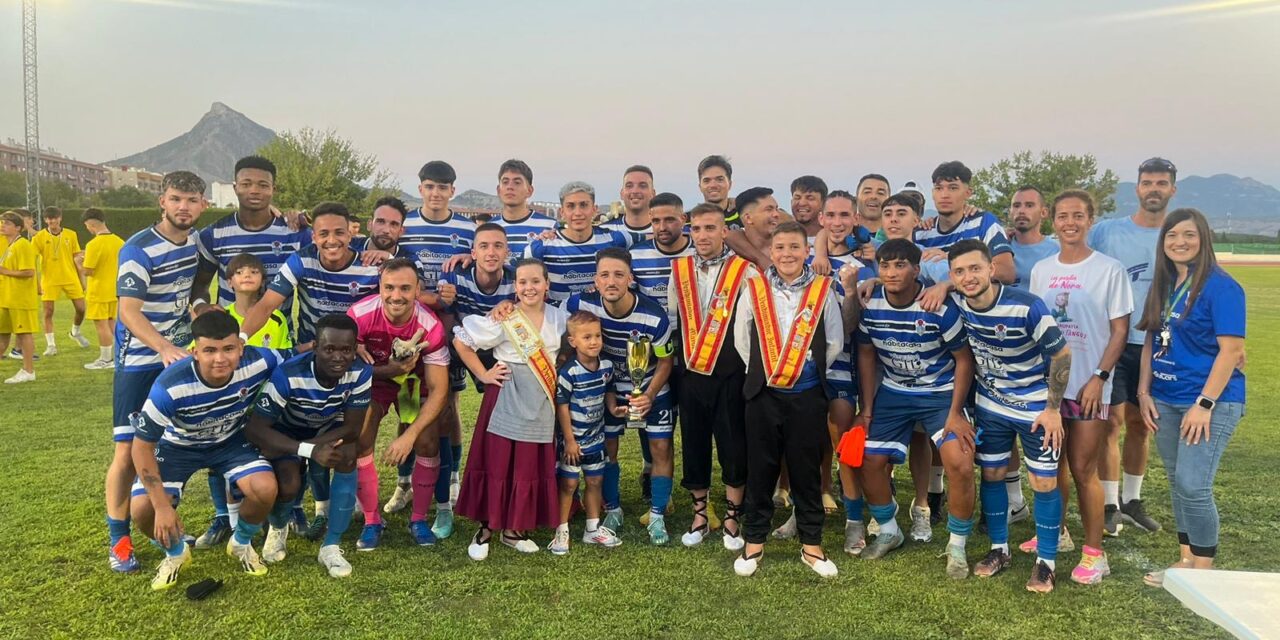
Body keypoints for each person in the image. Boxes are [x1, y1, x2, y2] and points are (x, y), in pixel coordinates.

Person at [128, 310, 285, 590]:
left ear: (241, 348)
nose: (220, 358)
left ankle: (241, 543)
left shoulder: (259, 360)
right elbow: (141, 449)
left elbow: (302, 353)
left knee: (265, 488)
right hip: (178, 447)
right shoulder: (170, 386)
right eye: (209, 350)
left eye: (228, 349)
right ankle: (176, 554)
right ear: (194, 351)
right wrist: (162, 507)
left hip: (230, 442)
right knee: (142, 509)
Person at [949, 238, 1070, 593]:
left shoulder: (1027, 306)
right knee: (993, 473)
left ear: (991, 269)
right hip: (991, 404)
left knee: (1043, 482)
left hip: (1036, 407)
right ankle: (998, 549)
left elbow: (1062, 356)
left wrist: (1052, 410)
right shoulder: (958, 302)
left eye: (975, 268)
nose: (968, 277)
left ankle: (1046, 562)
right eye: (959, 271)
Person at [1026, 190, 1132, 585]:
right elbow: (1037, 329)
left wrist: (1099, 378)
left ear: (1090, 220)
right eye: (1063, 215)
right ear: (1052, 220)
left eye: (1079, 215)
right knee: (1051, 467)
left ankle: (1094, 554)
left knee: (1084, 468)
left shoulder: (1109, 269)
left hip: (1089, 386)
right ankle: (1058, 535)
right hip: (1052, 389)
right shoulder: (1042, 269)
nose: (1070, 222)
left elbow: (1119, 331)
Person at [105, 170, 208, 574]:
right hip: (140, 362)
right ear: (162, 202)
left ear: (202, 204)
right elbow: (128, 311)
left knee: (169, 447)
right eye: (176, 199)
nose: (184, 207)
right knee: (127, 452)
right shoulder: (138, 249)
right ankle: (119, 540)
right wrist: (163, 346)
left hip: (177, 356)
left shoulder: (195, 241)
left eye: (192, 200)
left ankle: (161, 524)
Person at [1137, 208, 1246, 587]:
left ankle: (1204, 570)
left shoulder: (1222, 287)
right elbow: (1152, 337)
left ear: (1204, 239)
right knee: (1176, 480)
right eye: (1171, 236)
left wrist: (1204, 404)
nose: (1179, 242)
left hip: (1208, 401)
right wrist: (1144, 390)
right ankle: (1186, 559)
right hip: (1165, 398)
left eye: (1188, 235)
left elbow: (1231, 352)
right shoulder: (1165, 283)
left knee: (1193, 484)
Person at [854, 239, 976, 578]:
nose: (892, 273)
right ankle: (890, 529)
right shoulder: (871, 301)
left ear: (916, 270)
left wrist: (956, 411)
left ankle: (957, 545)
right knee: (868, 458)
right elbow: (866, 353)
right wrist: (866, 410)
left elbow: (964, 360)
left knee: (960, 462)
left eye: (900, 265)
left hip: (939, 392)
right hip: (894, 391)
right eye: (885, 266)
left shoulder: (937, 305)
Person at [732, 221, 844, 578]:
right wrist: (767, 373)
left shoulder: (824, 289)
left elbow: (834, 343)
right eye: (780, 248)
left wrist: (802, 373)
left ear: (807, 250)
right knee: (761, 467)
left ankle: (812, 545)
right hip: (763, 394)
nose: (787, 254)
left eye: (795, 247)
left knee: (805, 469)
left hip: (806, 395)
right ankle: (753, 543)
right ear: (771, 251)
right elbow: (742, 339)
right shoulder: (754, 288)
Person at [454, 258, 569, 560]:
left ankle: (514, 529)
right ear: (515, 287)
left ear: (547, 284)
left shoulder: (560, 317)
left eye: (535, 281)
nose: (529, 287)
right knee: (498, 459)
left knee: (528, 463)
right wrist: (483, 374)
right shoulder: (505, 317)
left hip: (541, 397)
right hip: (506, 391)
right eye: (522, 282)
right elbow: (462, 342)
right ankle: (487, 526)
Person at [1091, 157, 1179, 536]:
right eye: (1148, 182)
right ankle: (1109, 504)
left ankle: (1133, 500)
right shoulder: (1108, 231)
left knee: (1142, 424)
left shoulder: (1178, 235)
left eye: (1162, 183)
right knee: (1109, 422)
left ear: (1172, 189)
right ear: (1137, 188)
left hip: (1157, 344)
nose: (1154, 189)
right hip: (1114, 340)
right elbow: (1069, 246)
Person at [245, 313, 371, 578]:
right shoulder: (289, 373)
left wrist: (314, 448)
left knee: (348, 453)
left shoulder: (360, 371)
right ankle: (278, 528)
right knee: (289, 483)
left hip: (328, 429)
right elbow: (256, 429)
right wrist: (307, 450)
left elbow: (352, 428)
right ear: (315, 347)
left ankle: (331, 545)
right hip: (285, 431)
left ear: (354, 349)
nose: (338, 357)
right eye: (329, 349)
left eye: (346, 350)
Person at [565, 248, 676, 544]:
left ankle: (656, 516)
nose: (611, 281)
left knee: (661, 448)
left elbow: (666, 361)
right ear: (595, 280)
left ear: (630, 278)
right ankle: (612, 508)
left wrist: (650, 395)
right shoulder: (581, 303)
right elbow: (547, 314)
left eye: (618, 274)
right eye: (604, 275)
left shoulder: (653, 315)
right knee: (608, 450)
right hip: (609, 392)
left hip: (651, 389)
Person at [346, 258, 452, 550]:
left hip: (412, 384)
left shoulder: (430, 326)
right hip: (375, 381)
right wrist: (386, 371)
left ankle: (418, 519)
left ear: (418, 290)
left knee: (428, 441)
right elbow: (345, 372)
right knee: (361, 435)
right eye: (389, 287)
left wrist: (409, 435)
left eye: (405, 288)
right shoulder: (358, 315)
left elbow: (439, 389)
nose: (396, 296)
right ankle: (371, 520)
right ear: (379, 287)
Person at [190, 252, 293, 551]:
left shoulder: (276, 319)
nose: (247, 276)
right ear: (229, 280)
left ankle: (281, 512)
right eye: (240, 272)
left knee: (268, 457)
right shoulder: (219, 320)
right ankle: (225, 517)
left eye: (254, 271)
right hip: (228, 404)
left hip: (265, 403)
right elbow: (201, 359)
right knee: (220, 461)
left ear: (263, 280)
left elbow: (283, 359)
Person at [668, 204, 757, 549]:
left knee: (734, 442)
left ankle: (733, 515)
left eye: (710, 228)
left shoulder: (745, 271)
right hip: (691, 371)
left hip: (731, 370)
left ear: (724, 232)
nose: (702, 235)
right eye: (697, 229)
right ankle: (700, 515)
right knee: (693, 441)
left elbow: (750, 325)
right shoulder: (678, 269)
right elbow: (674, 321)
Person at [238, 202, 382, 345]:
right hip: (311, 351)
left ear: (349, 235)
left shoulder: (371, 267)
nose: (331, 240)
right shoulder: (301, 261)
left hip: (356, 352)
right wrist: (241, 340)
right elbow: (266, 305)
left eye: (339, 232)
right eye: (323, 233)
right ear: (313, 237)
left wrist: (390, 259)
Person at [191, 155, 310, 317]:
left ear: (273, 189)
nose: (254, 190)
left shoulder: (296, 233)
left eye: (263, 185)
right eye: (246, 184)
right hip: (229, 335)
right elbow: (200, 284)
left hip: (278, 337)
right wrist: (201, 306)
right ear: (235, 188)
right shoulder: (213, 234)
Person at [549, 311, 624, 554]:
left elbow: (609, 388)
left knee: (595, 481)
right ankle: (561, 531)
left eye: (597, 336)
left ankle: (592, 529)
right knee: (569, 484)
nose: (594, 342)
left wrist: (613, 407)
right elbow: (561, 406)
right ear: (573, 341)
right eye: (586, 337)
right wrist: (569, 440)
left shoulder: (606, 366)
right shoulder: (569, 372)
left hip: (596, 439)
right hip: (573, 441)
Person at [524, 182, 628, 305]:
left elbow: (650, 238)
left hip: (599, 319)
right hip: (559, 319)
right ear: (562, 212)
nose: (578, 212)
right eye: (570, 206)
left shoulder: (613, 239)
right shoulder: (543, 246)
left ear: (594, 209)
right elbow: (514, 275)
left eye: (584, 205)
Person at [31, 206, 90, 355]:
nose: (53, 221)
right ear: (45, 220)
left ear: (60, 218)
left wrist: (82, 280)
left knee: (81, 309)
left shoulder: (71, 234)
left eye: (55, 218)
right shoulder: (39, 237)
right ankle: (51, 345)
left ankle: (75, 332)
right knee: (48, 312)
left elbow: (77, 258)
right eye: (50, 218)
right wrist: (37, 284)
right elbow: (31, 260)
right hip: (50, 279)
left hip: (70, 277)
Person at [78, 208, 124, 370]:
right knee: (112, 323)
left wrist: (79, 263)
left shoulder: (93, 244)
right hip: (115, 290)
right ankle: (119, 356)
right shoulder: (120, 241)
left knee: (101, 325)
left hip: (98, 291)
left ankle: (106, 359)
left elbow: (88, 270)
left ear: (90, 224)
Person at [491, 159, 558, 262]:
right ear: (498, 190)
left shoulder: (549, 226)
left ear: (529, 191)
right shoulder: (488, 228)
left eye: (517, 182)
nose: (510, 187)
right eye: (505, 182)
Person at [0, 211, 39, 383]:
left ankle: (28, 370)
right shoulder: (9, 245)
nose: (2, 225)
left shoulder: (22, 245)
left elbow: (29, 271)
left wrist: (5, 271)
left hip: (20, 298)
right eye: (1, 222)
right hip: (7, 297)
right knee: (2, 334)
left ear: (18, 228)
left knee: (24, 334)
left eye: (7, 223)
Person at [1008, 186, 1060, 290]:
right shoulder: (998, 248)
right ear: (1010, 212)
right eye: (1016, 205)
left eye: (1029, 205)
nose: (1021, 211)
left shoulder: (1056, 252)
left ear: (1044, 212)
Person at [602, 165, 657, 246]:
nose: (635, 191)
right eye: (629, 186)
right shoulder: (604, 231)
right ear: (621, 193)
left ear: (653, 194)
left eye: (642, 186)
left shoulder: (667, 231)